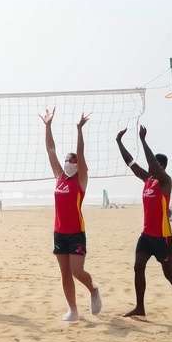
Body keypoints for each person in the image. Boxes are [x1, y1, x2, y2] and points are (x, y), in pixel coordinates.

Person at [116, 126, 172, 323]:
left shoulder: (165, 182)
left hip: (162, 236)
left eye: (154, 165)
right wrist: (119, 142)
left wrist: (143, 141)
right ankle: (140, 307)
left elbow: (151, 161)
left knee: (169, 274)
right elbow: (131, 163)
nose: (150, 167)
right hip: (146, 236)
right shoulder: (148, 179)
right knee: (138, 266)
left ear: (160, 167)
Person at [41, 109, 101, 321]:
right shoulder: (59, 176)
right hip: (59, 232)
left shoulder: (80, 180)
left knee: (77, 271)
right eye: (68, 159)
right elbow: (50, 150)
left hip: (76, 232)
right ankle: (73, 310)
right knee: (65, 274)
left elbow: (81, 154)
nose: (69, 162)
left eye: (72, 160)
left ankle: (93, 289)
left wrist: (79, 130)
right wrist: (48, 126)